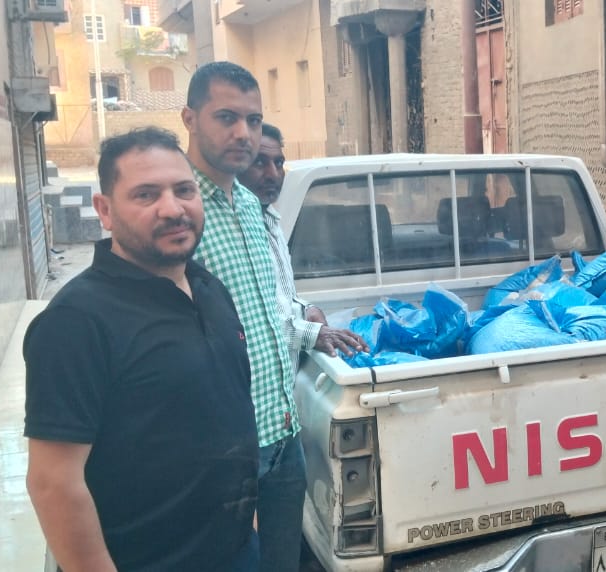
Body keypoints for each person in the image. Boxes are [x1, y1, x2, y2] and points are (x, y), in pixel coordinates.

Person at [24, 127, 259, 571]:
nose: (172, 208)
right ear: (105, 210)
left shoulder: (210, 289)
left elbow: (230, 412)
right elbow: (53, 482)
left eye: (184, 190)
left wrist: (250, 527)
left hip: (237, 553)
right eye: (146, 195)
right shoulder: (76, 321)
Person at [180, 61, 306, 572]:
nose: (243, 134)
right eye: (226, 117)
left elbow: (269, 312)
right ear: (190, 118)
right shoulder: (178, 210)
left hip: (283, 433)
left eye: (253, 120)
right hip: (223, 450)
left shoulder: (252, 207)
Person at [239, 121, 368, 366]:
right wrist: (314, 334)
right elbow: (249, 322)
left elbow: (279, 298)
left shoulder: (270, 220)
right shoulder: (237, 230)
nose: (273, 174)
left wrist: (306, 309)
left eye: (279, 163)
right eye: (259, 163)